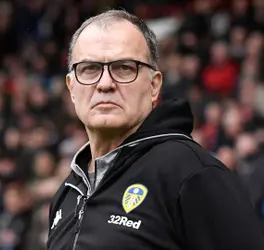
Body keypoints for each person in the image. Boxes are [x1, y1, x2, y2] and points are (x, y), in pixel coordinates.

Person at [47, 9, 264, 250]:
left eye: (124, 68)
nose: (105, 83)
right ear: (71, 88)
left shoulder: (193, 174)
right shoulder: (67, 193)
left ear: (154, 86)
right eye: (89, 69)